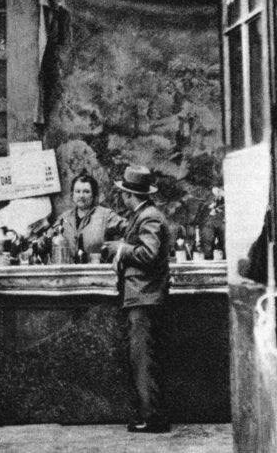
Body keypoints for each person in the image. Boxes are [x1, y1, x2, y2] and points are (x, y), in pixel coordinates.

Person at [101, 165, 171, 434]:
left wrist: (121, 249)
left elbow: (149, 254)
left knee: (143, 359)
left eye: (123, 193)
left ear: (130, 195)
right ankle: (150, 414)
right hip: (143, 295)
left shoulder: (149, 217)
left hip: (144, 296)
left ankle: (152, 417)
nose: (121, 197)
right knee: (143, 358)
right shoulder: (144, 215)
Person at [34, 174, 126, 262]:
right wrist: (41, 242)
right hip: (69, 270)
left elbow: (130, 230)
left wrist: (120, 246)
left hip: (97, 270)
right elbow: (47, 239)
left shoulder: (106, 215)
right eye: (77, 191)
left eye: (86, 192)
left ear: (94, 195)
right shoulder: (64, 218)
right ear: (72, 195)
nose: (81, 196)